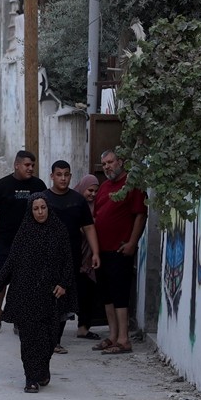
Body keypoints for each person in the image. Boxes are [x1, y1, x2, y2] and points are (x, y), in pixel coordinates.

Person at [0, 194, 76, 393]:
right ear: (30, 211)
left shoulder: (58, 231)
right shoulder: (24, 233)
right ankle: (31, 378)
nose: (40, 212)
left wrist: (63, 284)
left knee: (49, 338)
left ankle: (43, 369)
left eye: (43, 208)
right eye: (35, 209)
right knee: (28, 339)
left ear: (48, 208)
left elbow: (67, 261)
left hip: (50, 296)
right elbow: (10, 262)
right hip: (24, 293)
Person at [92, 149, 147, 355]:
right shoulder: (105, 187)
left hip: (120, 249)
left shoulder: (132, 186)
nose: (107, 166)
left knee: (120, 295)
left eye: (111, 162)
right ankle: (113, 336)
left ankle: (124, 339)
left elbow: (140, 215)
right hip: (102, 250)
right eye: (104, 163)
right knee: (107, 296)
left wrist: (133, 242)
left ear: (120, 161)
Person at [42, 161, 100, 354]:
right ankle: (43, 337)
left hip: (70, 259)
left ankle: (55, 340)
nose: (63, 178)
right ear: (52, 176)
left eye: (66, 174)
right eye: (59, 174)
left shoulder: (78, 201)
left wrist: (95, 252)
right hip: (45, 258)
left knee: (63, 299)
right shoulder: (43, 200)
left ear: (70, 176)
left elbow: (89, 227)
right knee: (45, 298)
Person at [0, 151, 46, 332]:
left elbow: (45, 211)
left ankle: (20, 316)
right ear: (16, 165)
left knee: (25, 281)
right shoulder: (3, 185)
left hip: (30, 244)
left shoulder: (38, 185)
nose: (30, 168)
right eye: (27, 165)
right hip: (4, 242)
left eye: (32, 166)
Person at [73, 173, 103, 340]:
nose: (92, 194)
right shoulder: (73, 202)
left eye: (95, 191)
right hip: (74, 255)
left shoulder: (97, 206)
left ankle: (83, 327)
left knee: (87, 292)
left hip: (90, 257)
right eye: (89, 190)